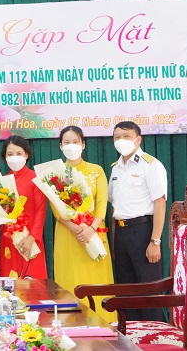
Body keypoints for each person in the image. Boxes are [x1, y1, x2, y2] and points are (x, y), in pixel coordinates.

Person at [52, 126, 115, 322]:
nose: (71, 146)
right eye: (67, 142)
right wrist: (74, 228)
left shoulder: (96, 171)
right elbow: (56, 209)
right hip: (67, 234)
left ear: (83, 144)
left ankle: (103, 323)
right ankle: (70, 324)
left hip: (94, 233)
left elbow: (102, 204)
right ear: (60, 146)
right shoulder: (55, 174)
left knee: (96, 281)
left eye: (75, 142)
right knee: (69, 279)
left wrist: (91, 228)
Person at [108, 121, 168, 322]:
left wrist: (155, 241)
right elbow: (114, 207)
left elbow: (160, 203)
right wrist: (115, 241)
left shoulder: (151, 165)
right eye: (117, 137)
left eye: (126, 136)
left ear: (138, 139)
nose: (121, 141)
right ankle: (130, 334)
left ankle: (153, 334)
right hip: (121, 233)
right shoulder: (116, 168)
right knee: (126, 290)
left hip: (143, 231)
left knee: (148, 289)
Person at [0, 135, 47, 279]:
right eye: (10, 154)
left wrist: (31, 238)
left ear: (26, 154)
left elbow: (41, 211)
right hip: (9, 237)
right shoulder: (0, 182)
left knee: (32, 281)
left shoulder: (35, 178)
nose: (14, 157)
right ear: (4, 157)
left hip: (31, 239)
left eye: (19, 153)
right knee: (9, 283)